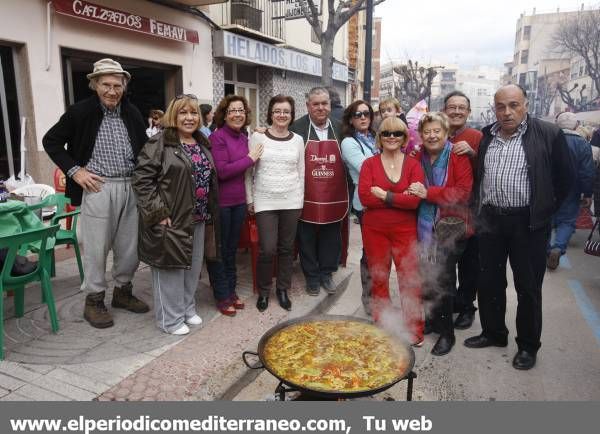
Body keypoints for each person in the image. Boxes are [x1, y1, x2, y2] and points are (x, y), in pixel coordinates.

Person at [464, 84, 574, 370]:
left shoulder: (549, 134)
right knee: (489, 281)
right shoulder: (488, 135)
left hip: (528, 223)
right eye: (500, 106)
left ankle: (527, 345)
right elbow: (480, 175)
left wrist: (545, 210)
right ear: (494, 108)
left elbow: (565, 181)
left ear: (525, 104)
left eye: (513, 105)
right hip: (490, 220)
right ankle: (493, 332)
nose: (507, 112)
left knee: (528, 287)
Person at [43, 58, 149, 329]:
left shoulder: (132, 113)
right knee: (96, 248)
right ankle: (94, 299)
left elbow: (145, 149)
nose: (112, 91)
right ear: (94, 85)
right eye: (106, 85)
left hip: (130, 186)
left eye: (117, 85)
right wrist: (75, 171)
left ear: (124, 87)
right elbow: (51, 142)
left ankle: (123, 293)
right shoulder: (80, 112)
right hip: (98, 187)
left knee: (129, 247)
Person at [132, 95, 219, 335]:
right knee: (169, 270)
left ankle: (186, 309)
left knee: (191, 268)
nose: (189, 118)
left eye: (193, 113)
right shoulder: (159, 143)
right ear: (173, 115)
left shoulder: (201, 142)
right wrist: (157, 213)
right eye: (183, 113)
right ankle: (169, 320)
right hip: (170, 219)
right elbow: (141, 180)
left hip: (198, 216)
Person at [407, 112, 473, 356]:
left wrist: (428, 193)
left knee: (443, 280)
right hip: (423, 226)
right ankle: (433, 320)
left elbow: (464, 192)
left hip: (450, 227)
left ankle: (447, 334)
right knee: (425, 278)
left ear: (446, 133)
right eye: (427, 131)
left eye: (437, 131)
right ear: (421, 135)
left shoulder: (457, 155)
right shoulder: (416, 155)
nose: (432, 135)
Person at [358, 116, 425, 346]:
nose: (392, 138)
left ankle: (414, 329)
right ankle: (383, 325)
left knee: (409, 280)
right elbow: (364, 196)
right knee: (379, 278)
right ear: (380, 137)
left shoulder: (414, 165)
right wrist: (400, 198)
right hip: (374, 229)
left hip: (405, 230)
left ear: (405, 137)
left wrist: (384, 195)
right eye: (386, 133)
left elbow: (414, 202)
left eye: (397, 133)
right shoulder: (369, 164)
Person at [245, 95, 304, 312]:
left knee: (287, 248)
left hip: (291, 200)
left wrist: (300, 200)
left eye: (286, 112)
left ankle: (282, 289)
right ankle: (264, 291)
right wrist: (250, 199)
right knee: (267, 249)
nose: (281, 115)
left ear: (291, 115)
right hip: (265, 200)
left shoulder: (298, 140)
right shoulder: (258, 137)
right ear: (270, 113)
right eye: (277, 111)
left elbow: (301, 172)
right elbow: (249, 171)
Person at [207, 95, 263, 316]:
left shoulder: (243, 137)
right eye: (233, 110)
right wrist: (250, 159)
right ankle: (222, 295)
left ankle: (231, 290)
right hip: (221, 204)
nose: (238, 114)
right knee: (219, 251)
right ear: (224, 114)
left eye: (241, 110)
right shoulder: (217, 137)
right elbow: (222, 171)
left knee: (231, 251)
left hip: (239, 203)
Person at [289, 87, 347, 296]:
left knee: (331, 237)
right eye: (316, 104)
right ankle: (312, 277)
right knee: (306, 238)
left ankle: (326, 274)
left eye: (324, 103)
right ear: (308, 106)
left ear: (330, 105)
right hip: (306, 194)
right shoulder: (296, 128)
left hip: (334, 194)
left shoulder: (341, 129)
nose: (321, 108)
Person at [442, 90, 483, 330]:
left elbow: (488, 171)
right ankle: (448, 304)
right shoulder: (436, 132)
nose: (456, 111)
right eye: (452, 106)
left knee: (469, 264)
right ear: (445, 110)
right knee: (445, 263)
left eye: (461, 107)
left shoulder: (477, 136)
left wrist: (473, 154)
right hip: (443, 212)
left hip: (471, 211)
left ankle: (467, 306)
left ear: (468, 112)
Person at [340, 100, 378, 315]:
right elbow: (366, 169)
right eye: (358, 114)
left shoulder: (375, 138)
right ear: (351, 119)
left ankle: (379, 293)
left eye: (366, 113)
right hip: (366, 203)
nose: (363, 117)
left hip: (386, 200)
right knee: (371, 250)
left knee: (383, 250)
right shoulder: (349, 142)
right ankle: (369, 296)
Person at [546, 112, 594, 270]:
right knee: (567, 221)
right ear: (576, 126)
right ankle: (558, 248)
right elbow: (587, 171)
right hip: (572, 189)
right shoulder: (583, 143)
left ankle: (546, 250)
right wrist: (587, 193)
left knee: (546, 219)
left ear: (557, 124)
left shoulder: (550, 139)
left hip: (549, 187)